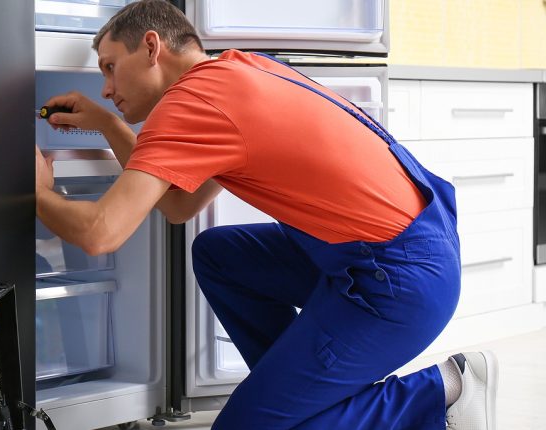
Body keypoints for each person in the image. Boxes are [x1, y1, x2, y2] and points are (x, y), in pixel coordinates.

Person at [35, 1, 498, 429]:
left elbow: (100, 233)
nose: (107, 88)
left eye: (111, 68)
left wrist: (30, 190)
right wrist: (110, 124)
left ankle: (445, 390)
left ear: (152, 46)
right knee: (219, 254)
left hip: (394, 283)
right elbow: (179, 206)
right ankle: (290, 393)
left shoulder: (189, 103)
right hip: (417, 249)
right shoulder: (243, 68)